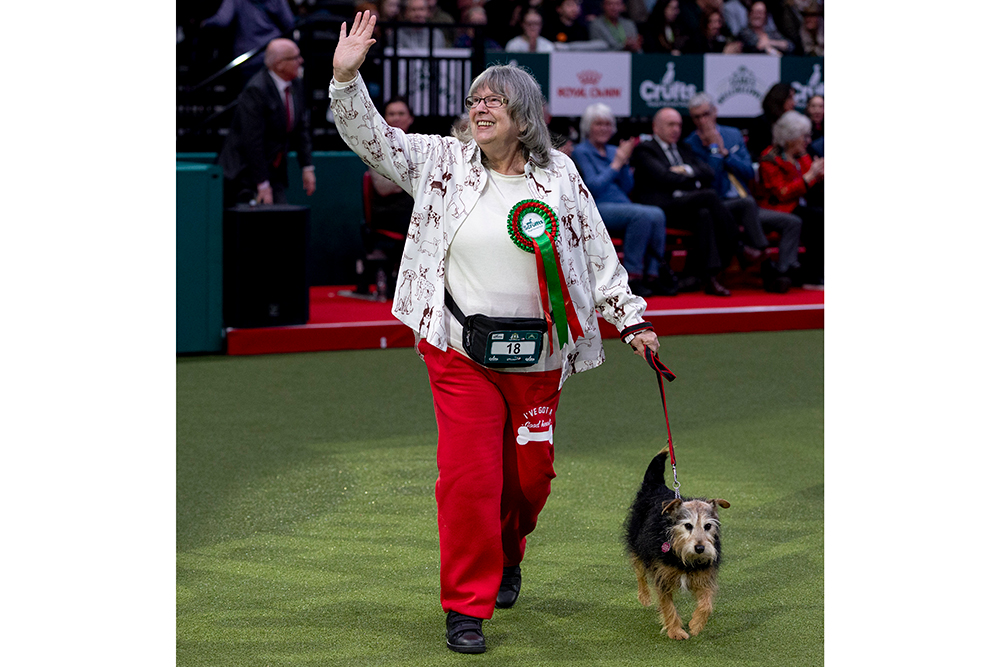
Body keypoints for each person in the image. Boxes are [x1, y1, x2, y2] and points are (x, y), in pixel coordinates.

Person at [329, 11, 662, 654]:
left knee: (529, 479)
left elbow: (595, 252)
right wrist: (347, 80)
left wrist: (632, 318)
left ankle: (509, 551)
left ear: (524, 114)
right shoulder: (441, 162)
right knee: (469, 479)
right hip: (458, 350)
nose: (480, 108)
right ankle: (466, 607)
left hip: (540, 355)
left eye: (495, 100)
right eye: (474, 99)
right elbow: (373, 138)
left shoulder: (559, 175)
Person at [685, 92, 801, 292]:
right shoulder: (690, 144)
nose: (702, 120)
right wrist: (713, 148)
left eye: (706, 114)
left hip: (746, 205)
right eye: (697, 117)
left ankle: (783, 271)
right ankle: (766, 265)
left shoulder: (733, 134)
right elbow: (709, 182)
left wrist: (726, 154)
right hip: (721, 206)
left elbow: (749, 172)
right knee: (747, 203)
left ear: (715, 111)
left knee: (792, 222)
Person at [631, 107, 739, 296]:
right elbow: (663, 177)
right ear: (655, 127)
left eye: (679, 125)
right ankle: (739, 246)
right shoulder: (645, 149)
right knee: (709, 195)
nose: (676, 129)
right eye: (670, 124)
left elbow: (708, 172)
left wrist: (685, 171)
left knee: (704, 214)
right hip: (660, 207)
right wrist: (691, 175)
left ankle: (709, 277)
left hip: (686, 206)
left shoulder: (683, 147)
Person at [574, 103, 672, 297]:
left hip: (622, 206)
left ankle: (653, 275)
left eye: (608, 124)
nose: (604, 128)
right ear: (588, 127)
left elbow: (628, 187)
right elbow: (594, 187)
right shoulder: (581, 151)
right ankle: (632, 276)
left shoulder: (612, 150)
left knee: (657, 213)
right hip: (596, 208)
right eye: (598, 124)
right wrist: (617, 163)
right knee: (641, 215)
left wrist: (624, 164)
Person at [218, 38, 316, 207]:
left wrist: (307, 167)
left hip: (274, 172)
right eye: (295, 57)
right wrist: (262, 184)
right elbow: (252, 141)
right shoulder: (256, 90)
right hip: (245, 175)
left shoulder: (296, 85)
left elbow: (301, 128)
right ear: (279, 64)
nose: (301, 61)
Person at [757, 110, 824, 288]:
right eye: (804, 136)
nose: (808, 141)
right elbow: (782, 192)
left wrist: (820, 175)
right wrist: (810, 176)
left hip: (797, 205)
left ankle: (815, 271)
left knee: (820, 215)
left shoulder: (801, 155)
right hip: (778, 209)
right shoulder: (769, 158)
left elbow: (812, 180)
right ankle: (810, 273)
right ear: (791, 137)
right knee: (817, 218)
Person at [201, 0, 296, 76]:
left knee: (251, 94)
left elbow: (222, 20)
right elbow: (289, 22)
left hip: (249, 55)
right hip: (273, 54)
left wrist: (203, 23)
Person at [747, 81, 794, 161]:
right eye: (790, 98)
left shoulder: (793, 122)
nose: (793, 103)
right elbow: (757, 153)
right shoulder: (760, 123)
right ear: (780, 98)